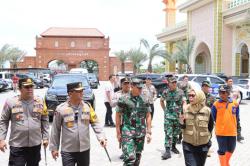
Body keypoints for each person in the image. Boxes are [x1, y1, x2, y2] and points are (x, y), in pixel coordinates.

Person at [49, 82, 107, 166]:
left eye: (82, 91)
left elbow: (95, 122)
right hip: (68, 151)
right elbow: (55, 130)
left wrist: (101, 137)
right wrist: (54, 148)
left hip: (84, 149)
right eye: (78, 91)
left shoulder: (87, 107)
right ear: (70, 93)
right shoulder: (61, 109)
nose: (81, 93)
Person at [0, 78, 49, 166]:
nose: (30, 89)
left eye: (31, 86)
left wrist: (45, 137)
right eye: (26, 87)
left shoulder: (40, 101)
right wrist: (2, 139)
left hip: (35, 144)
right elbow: (4, 120)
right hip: (17, 144)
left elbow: (44, 120)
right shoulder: (11, 102)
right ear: (19, 89)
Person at [116, 79, 152, 166]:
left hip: (141, 133)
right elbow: (118, 115)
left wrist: (149, 131)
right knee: (130, 159)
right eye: (138, 88)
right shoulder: (123, 99)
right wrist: (118, 133)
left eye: (141, 88)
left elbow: (148, 115)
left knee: (137, 158)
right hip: (127, 132)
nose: (140, 89)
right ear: (132, 86)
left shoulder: (144, 99)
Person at [180, 89, 214, 166]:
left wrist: (208, 141)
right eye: (189, 95)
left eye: (193, 95)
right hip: (188, 146)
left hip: (203, 147)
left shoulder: (207, 111)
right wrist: (181, 121)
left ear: (199, 96)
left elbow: (210, 127)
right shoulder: (185, 109)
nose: (190, 97)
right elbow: (182, 127)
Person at [211, 85, 238, 166]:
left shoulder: (235, 103)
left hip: (232, 132)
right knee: (222, 150)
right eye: (220, 93)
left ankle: (225, 163)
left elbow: (236, 117)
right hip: (221, 133)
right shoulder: (216, 104)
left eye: (223, 93)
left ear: (228, 93)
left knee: (231, 149)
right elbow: (213, 117)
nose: (221, 95)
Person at [160, 76, 186, 160]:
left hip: (177, 116)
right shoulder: (165, 92)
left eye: (175, 82)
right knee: (168, 133)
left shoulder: (180, 92)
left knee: (176, 133)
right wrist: (165, 110)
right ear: (169, 83)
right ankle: (167, 151)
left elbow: (184, 102)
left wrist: (183, 113)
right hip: (168, 116)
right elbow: (161, 100)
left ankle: (173, 147)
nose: (174, 84)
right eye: (172, 82)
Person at [113, 77, 131, 160]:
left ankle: (129, 151)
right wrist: (121, 101)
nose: (127, 85)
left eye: (128, 83)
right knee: (121, 135)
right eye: (125, 83)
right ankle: (124, 151)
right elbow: (112, 103)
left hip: (130, 118)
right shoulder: (117, 94)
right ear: (121, 85)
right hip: (120, 116)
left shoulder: (133, 93)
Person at [225, 76, 244, 142]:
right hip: (228, 107)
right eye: (229, 81)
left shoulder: (236, 88)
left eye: (232, 81)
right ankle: (228, 135)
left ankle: (239, 136)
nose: (231, 82)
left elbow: (239, 97)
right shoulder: (224, 89)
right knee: (228, 121)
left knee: (237, 120)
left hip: (235, 107)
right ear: (226, 82)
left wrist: (237, 102)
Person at [201, 80, 216, 157]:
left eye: (207, 86)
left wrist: (215, 120)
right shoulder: (198, 96)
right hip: (199, 119)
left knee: (209, 134)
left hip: (209, 119)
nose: (205, 87)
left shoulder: (212, 98)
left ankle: (207, 149)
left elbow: (215, 109)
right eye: (204, 86)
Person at [177, 75, 192, 144]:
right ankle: (179, 137)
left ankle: (186, 137)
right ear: (183, 80)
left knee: (187, 122)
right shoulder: (180, 87)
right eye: (185, 79)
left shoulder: (190, 87)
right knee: (181, 122)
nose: (186, 80)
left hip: (188, 107)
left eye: (187, 79)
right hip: (180, 107)